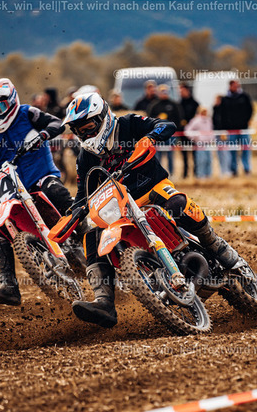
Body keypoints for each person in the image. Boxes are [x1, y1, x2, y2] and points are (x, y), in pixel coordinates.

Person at [60, 92, 240, 328]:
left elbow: (167, 125)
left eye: (89, 127)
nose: (85, 134)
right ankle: (104, 302)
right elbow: (83, 192)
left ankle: (215, 245)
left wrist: (150, 138)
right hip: (121, 205)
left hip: (153, 188)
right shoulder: (86, 156)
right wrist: (73, 213)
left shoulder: (127, 124)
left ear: (103, 117)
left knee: (177, 204)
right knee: (92, 236)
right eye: (79, 130)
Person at [0, 78, 74, 306]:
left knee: (57, 194)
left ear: (11, 101)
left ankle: (88, 238)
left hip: (41, 177)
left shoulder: (28, 114)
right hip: (14, 190)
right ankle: (9, 286)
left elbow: (57, 123)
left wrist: (43, 135)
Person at [148, 84, 183, 176]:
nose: (164, 93)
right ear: (158, 93)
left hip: (170, 136)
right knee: (157, 156)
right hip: (158, 136)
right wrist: (157, 118)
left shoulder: (174, 105)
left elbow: (178, 119)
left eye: (166, 91)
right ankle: (158, 175)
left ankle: (171, 175)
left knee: (170, 156)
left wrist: (175, 132)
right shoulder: (154, 105)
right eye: (162, 91)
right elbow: (149, 120)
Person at [220, 80, 254, 176]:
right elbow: (222, 114)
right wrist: (225, 127)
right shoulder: (225, 99)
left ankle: (247, 169)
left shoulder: (244, 97)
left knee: (246, 149)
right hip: (231, 130)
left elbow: (250, 109)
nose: (236, 87)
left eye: (237, 86)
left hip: (243, 129)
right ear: (230, 86)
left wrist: (246, 121)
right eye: (234, 86)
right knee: (232, 151)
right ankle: (234, 170)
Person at [184, 107, 215, 179]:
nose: (205, 113)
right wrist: (195, 137)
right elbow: (187, 131)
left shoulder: (209, 120)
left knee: (209, 160)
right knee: (201, 160)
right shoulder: (195, 120)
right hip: (200, 143)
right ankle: (200, 176)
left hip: (208, 143)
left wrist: (212, 138)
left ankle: (208, 176)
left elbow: (211, 130)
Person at [179, 83, 199, 178]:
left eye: (182, 91)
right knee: (184, 155)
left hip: (193, 133)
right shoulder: (179, 104)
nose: (181, 93)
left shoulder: (195, 103)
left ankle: (196, 173)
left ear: (187, 90)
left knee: (195, 154)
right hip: (182, 134)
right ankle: (185, 174)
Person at [213, 94, 230, 177]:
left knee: (225, 153)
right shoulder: (215, 109)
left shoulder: (224, 110)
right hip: (217, 133)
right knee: (220, 154)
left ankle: (226, 170)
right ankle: (222, 171)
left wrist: (224, 131)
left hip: (223, 133)